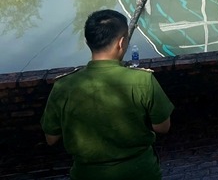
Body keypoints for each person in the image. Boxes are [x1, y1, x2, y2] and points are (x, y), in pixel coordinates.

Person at [41, 10, 174, 179]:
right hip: (139, 172)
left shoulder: (63, 86)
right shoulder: (143, 80)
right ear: (122, 42)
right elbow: (162, 127)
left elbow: (51, 138)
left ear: (87, 42)